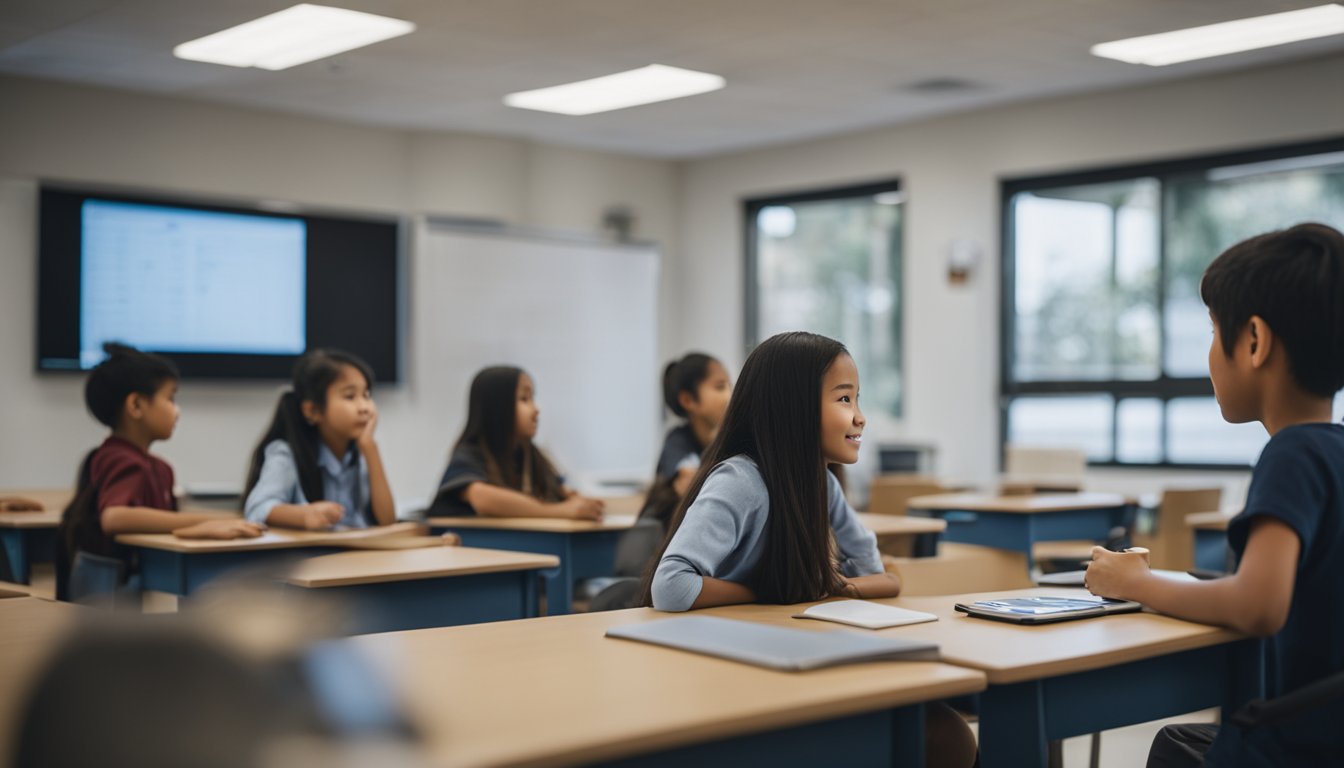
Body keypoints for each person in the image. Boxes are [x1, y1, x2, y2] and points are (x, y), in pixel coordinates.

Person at [1085, 223, 1344, 768]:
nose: (1208, 353)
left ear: (1254, 341)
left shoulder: (1292, 454)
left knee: (1175, 748)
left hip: (1295, 745)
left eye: (1211, 331)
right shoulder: (1334, 449)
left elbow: (1258, 606)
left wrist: (1139, 582)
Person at [59, 343, 262, 592]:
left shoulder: (159, 467)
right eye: (170, 398)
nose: (177, 411)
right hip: (112, 603)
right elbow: (115, 517)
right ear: (135, 405)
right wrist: (205, 521)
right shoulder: (121, 458)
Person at [244, 349, 396, 530]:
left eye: (366, 395)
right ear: (313, 411)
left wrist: (370, 449)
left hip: (357, 553)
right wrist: (304, 515)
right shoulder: (287, 454)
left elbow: (387, 521)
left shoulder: (360, 454)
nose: (364, 407)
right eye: (350, 396)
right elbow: (257, 509)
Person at [429, 366, 603, 519]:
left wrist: (578, 503)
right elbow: (482, 498)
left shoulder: (530, 454)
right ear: (497, 408)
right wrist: (559, 511)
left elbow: (561, 490)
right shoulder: (470, 454)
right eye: (524, 399)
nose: (536, 409)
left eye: (533, 398)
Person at [640, 353, 732, 528]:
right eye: (720, 387)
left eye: (730, 385)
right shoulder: (677, 442)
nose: (730, 395)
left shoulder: (722, 442)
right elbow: (688, 483)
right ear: (688, 400)